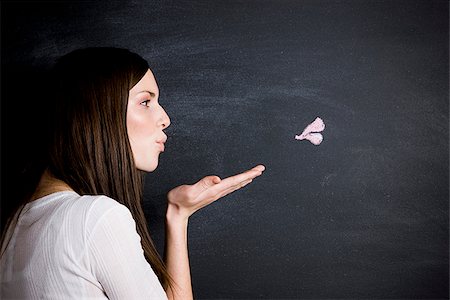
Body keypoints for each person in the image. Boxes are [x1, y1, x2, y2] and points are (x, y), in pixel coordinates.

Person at [0, 47, 265, 299]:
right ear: (97, 112)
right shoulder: (95, 217)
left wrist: (178, 213)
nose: (165, 118)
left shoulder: (14, 226)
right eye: (145, 102)